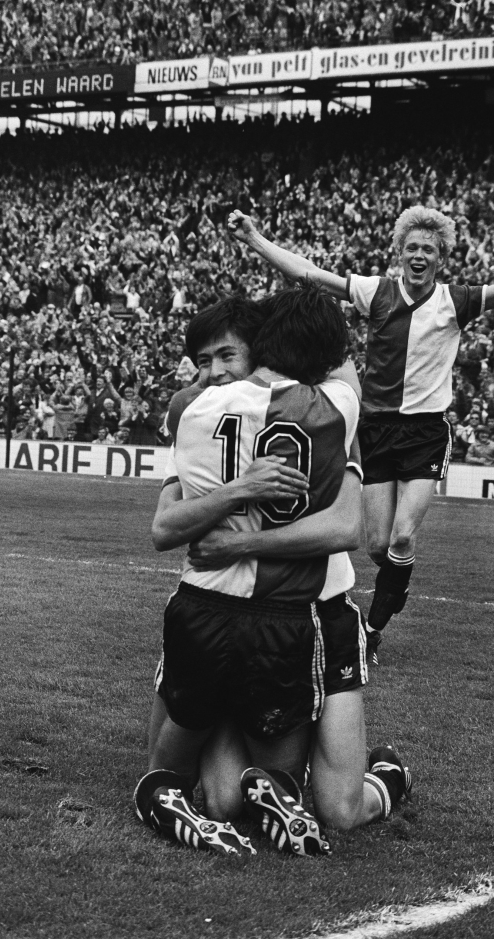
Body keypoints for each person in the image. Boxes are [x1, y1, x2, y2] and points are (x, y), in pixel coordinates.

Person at [135, 288, 411, 858]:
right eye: (204, 359)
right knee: (246, 794)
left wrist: (239, 544)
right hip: (287, 614)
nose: (213, 371)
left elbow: (342, 529)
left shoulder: (187, 410)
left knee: (234, 790)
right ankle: (305, 786)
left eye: (227, 356)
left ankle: (336, 781)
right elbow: (348, 528)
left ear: (260, 349)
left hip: (274, 610)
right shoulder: (333, 408)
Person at [228, 205, 494, 664]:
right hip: (376, 428)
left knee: (401, 538)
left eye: (430, 249)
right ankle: (394, 583)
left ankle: (372, 631)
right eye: (413, 247)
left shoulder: (456, 300)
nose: (420, 254)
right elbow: (311, 274)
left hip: (425, 433)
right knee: (379, 545)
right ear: (399, 253)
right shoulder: (376, 292)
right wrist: (255, 239)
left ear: (441, 257)